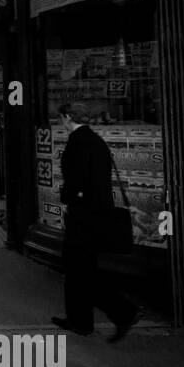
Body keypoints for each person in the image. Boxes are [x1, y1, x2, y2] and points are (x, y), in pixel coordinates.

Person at [51, 102, 139, 342]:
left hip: (83, 216)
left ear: (68, 116)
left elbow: (78, 180)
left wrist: (68, 198)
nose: (61, 123)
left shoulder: (78, 142)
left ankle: (120, 312)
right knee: (83, 269)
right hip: (97, 213)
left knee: (78, 269)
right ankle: (84, 321)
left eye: (61, 118)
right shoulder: (96, 140)